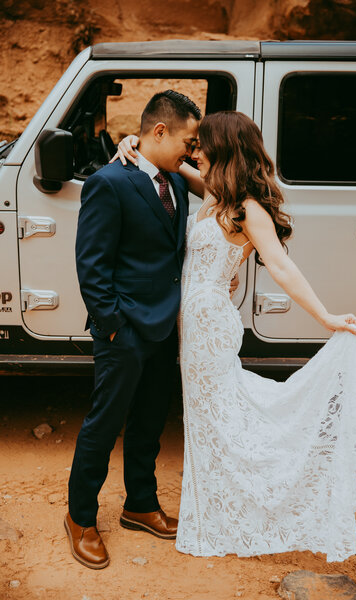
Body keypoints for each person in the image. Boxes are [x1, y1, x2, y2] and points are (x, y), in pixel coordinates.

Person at [115, 110, 356, 563]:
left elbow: (280, 265)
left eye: (202, 144)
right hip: (193, 326)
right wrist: (133, 144)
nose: (194, 150)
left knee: (219, 419)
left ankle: (244, 506)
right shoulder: (217, 194)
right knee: (207, 420)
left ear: (223, 148)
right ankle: (217, 512)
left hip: (210, 328)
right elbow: (171, 164)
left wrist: (325, 316)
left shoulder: (247, 208)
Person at [65, 90, 202, 569]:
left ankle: (139, 505)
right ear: (159, 131)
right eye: (188, 139)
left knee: (148, 425)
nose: (193, 149)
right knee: (104, 426)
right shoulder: (108, 183)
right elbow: (92, 265)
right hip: (123, 330)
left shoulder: (178, 182)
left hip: (164, 326)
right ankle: (80, 518)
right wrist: (112, 328)